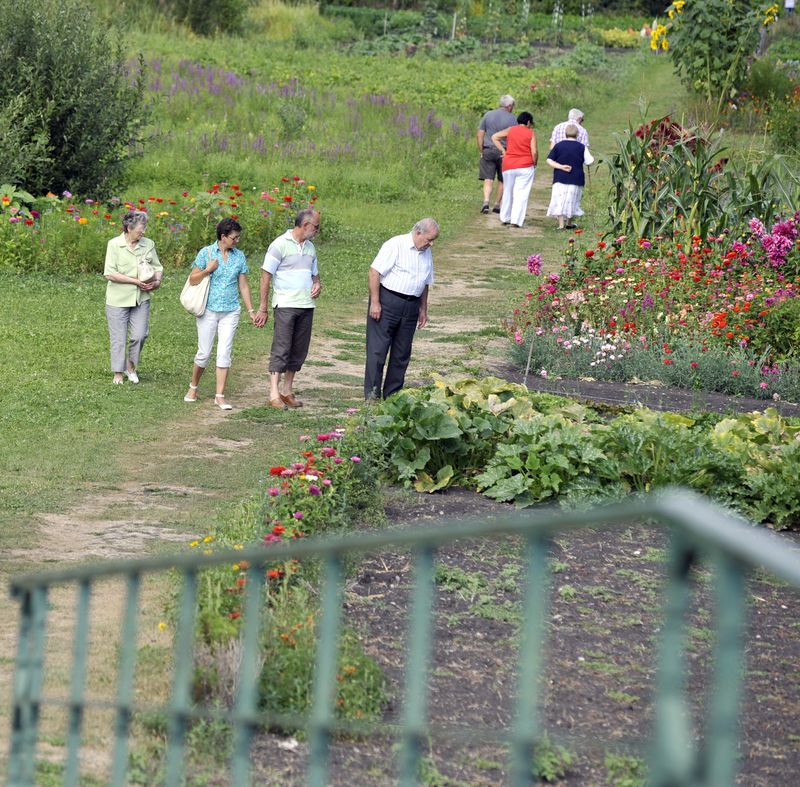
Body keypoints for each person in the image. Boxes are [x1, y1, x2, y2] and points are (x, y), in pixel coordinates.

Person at [183, 218, 257, 410]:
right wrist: (208, 270)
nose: (237, 241)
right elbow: (192, 279)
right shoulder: (206, 253)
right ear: (223, 237)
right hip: (208, 310)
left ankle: (219, 395)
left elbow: (243, 284)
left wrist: (250, 310)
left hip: (230, 311)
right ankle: (193, 387)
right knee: (204, 353)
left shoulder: (239, 256)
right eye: (234, 238)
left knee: (224, 352)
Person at [365, 218, 438, 400]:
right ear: (418, 232)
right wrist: (375, 302)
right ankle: (373, 395)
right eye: (429, 239)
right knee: (378, 350)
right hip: (388, 301)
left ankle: (393, 395)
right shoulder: (395, 244)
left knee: (402, 352)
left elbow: (425, 282)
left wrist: (423, 308)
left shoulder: (426, 252)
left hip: (411, 305)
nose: (431, 244)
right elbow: (374, 272)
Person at [256, 209, 321, 410]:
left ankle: (287, 390)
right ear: (305, 225)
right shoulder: (279, 245)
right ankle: (273, 392)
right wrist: (263, 308)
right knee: (282, 348)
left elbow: (315, 276)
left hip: (306, 305)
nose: (318, 231)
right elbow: (266, 276)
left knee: (299, 349)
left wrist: (317, 285)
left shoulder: (310, 248)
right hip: (285, 304)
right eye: (316, 227)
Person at [103, 209, 163, 385]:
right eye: (140, 228)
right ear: (129, 227)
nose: (143, 231)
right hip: (117, 299)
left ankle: (131, 366)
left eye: (144, 227)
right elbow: (110, 274)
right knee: (118, 338)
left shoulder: (148, 244)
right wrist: (135, 281)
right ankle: (118, 373)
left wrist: (157, 281)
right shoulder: (114, 244)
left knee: (140, 335)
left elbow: (158, 267)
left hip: (141, 298)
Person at [491, 111, 538, 229]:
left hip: (508, 165)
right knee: (521, 193)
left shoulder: (511, 129)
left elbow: (494, 137)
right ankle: (516, 220)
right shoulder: (530, 132)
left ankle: (505, 217)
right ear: (528, 122)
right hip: (525, 165)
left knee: (508, 191)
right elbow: (534, 151)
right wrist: (535, 163)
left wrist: (503, 151)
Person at [477, 95, 516, 214]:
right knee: (502, 179)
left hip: (488, 150)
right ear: (509, 106)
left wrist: (481, 150)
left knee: (488, 179)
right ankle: (497, 204)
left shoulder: (488, 115)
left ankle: (486, 201)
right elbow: (514, 138)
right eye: (513, 106)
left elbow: (480, 134)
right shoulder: (513, 119)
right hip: (504, 152)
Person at [546, 124, 590, 230]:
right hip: (576, 178)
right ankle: (569, 223)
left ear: (565, 134)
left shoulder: (559, 145)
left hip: (560, 177)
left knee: (559, 199)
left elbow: (549, 160)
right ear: (577, 134)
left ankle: (561, 224)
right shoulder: (581, 147)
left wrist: (560, 166)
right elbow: (590, 161)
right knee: (573, 200)